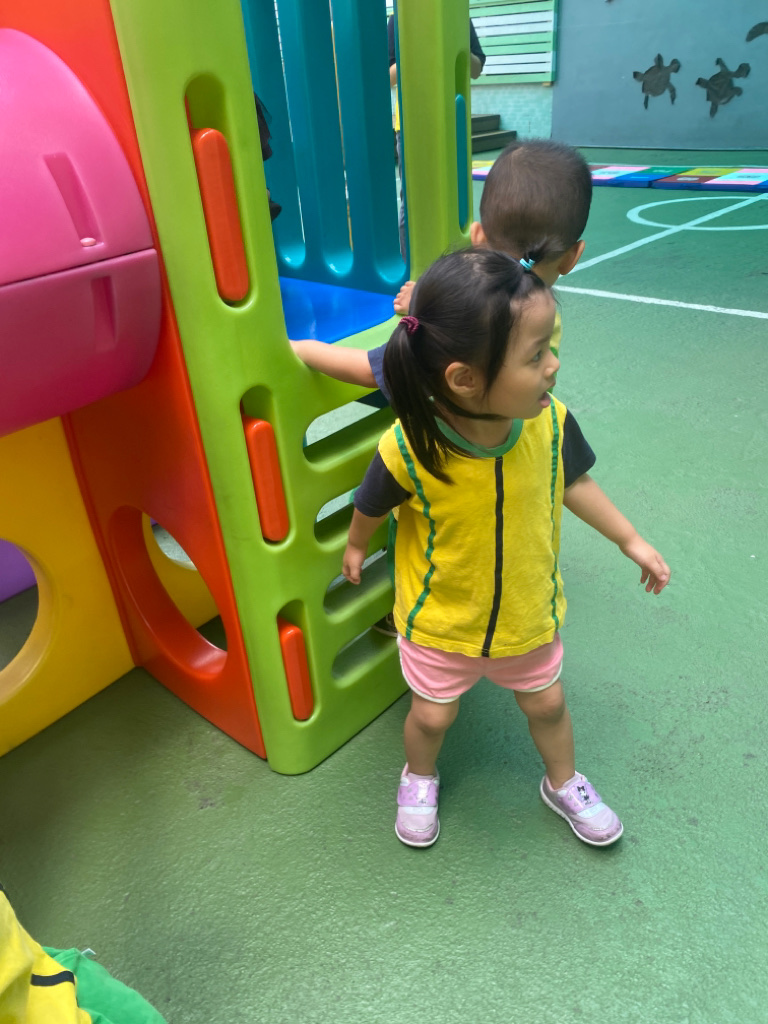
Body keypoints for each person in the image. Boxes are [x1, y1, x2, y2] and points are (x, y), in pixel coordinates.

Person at [342, 248, 670, 848]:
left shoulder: (550, 424)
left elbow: (575, 483)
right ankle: (419, 776)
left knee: (548, 706)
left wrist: (631, 540)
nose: (553, 365)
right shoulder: (411, 445)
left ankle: (563, 782)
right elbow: (372, 501)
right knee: (432, 715)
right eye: (536, 355)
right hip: (441, 622)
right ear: (465, 379)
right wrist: (356, 547)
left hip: (526, 617)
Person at [388, 15, 486, 260]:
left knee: (455, 195)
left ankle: (454, 266)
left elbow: (476, 69)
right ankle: (411, 264)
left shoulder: (458, 17)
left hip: (452, 121)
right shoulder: (398, 19)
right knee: (412, 201)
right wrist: (418, 46)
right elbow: (388, 76)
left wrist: (453, 44)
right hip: (411, 125)